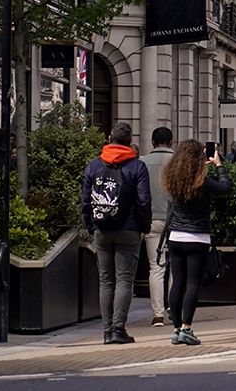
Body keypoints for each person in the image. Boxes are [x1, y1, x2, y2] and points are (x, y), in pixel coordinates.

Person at [81, 123, 152, 344]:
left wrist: (90, 226)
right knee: (124, 280)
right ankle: (118, 329)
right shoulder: (137, 167)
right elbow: (144, 201)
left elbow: (85, 201)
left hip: (102, 228)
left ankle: (106, 331)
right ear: (130, 141)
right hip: (129, 229)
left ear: (110, 137)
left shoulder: (93, 166)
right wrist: (144, 227)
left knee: (105, 280)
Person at [162, 140, 230, 346]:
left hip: (175, 237)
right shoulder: (203, 181)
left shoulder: (173, 179)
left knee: (178, 283)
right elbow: (225, 188)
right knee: (193, 284)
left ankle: (175, 330)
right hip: (197, 237)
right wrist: (219, 165)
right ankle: (187, 328)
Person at [140, 126, 175, 328]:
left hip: (151, 221)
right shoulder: (179, 162)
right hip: (176, 221)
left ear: (152, 143)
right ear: (171, 142)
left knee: (156, 267)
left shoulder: (142, 162)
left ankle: (158, 314)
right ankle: (173, 308)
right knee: (175, 268)